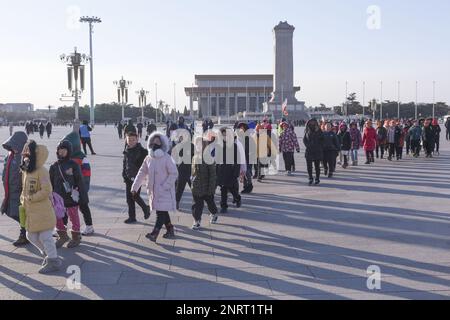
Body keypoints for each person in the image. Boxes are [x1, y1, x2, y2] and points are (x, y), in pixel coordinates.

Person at [20, 140, 62, 273]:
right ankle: (48, 254)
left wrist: (32, 198)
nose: (25, 155)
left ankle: (53, 260)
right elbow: (24, 190)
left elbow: (47, 190)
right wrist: (23, 199)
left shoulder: (42, 171)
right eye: (24, 152)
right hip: (31, 212)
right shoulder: (26, 171)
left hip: (43, 211)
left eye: (28, 152)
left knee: (45, 237)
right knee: (30, 236)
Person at [131, 132, 178, 242]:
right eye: (153, 141)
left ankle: (154, 233)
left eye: (158, 142)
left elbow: (174, 173)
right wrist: (135, 187)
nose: (155, 143)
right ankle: (170, 229)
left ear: (162, 144)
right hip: (153, 191)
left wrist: (164, 186)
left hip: (165, 191)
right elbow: (141, 172)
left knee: (160, 212)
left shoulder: (167, 158)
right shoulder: (148, 158)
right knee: (162, 210)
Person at [49, 140, 87, 248]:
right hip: (57, 197)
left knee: (73, 216)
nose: (61, 152)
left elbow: (79, 180)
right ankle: (62, 235)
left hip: (71, 196)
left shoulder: (73, 164)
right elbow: (50, 182)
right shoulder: (54, 166)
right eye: (59, 150)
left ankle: (76, 236)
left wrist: (83, 196)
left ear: (69, 151)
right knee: (57, 217)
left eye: (64, 150)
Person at [63, 131, 95, 236]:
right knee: (64, 207)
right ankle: (62, 227)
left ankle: (89, 226)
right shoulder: (65, 157)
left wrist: (83, 188)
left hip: (79, 188)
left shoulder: (82, 158)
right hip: (67, 188)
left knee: (83, 206)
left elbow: (86, 174)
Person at [2, 131, 29, 246]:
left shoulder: (24, 158)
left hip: (19, 191)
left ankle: (24, 234)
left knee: (19, 213)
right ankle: (29, 229)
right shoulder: (10, 155)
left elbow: (28, 174)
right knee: (9, 211)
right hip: (10, 190)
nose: (13, 148)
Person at [122, 132, 151, 224]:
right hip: (128, 178)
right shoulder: (126, 150)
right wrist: (124, 174)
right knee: (129, 198)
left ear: (137, 139)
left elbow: (145, 165)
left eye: (133, 140)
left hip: (137, 178)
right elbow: (125, 164)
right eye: (129, 140)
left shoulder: (142, 151)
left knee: (134, 196)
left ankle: (145, 208)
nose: (131, 142)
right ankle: (132, 217)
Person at [191, 137, 219, 230]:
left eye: (200, 144)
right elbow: (193, 171)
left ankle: (214, 213)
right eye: (197, 144)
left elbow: (213, 174)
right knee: (197, 205)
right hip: (196, 187)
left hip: (207, 187)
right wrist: (192, 181)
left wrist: (211, 188)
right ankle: (197, 220)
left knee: (210, 203)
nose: (198, 146)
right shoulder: (195, 157)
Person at [216, 127, 243, 214]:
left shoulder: (234, 146)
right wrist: (216, 170)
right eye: (223, 135)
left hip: (231, 171)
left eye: (226, 134)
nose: (224, 136)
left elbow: (237, 160)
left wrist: (236, 172)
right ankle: (224, 206)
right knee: (223, 189)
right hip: (222, 171)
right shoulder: (219, 145)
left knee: (232, 189)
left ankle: (237, 198)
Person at [171, 129, 194, 211]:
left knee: (194, 188)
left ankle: (197, 202)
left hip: (191, 170)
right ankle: (176, 203)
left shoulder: (192, 146)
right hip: (182, 170)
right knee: (180, 188)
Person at [303, 119, 324, 185]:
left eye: (313, 122)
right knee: (309, 166)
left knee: (317, 166)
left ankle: (317, 178)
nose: (312, 124)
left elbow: (322, 139)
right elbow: (304, 140)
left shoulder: (319, 130)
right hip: (309, 151)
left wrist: (319, 146)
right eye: (311, 122)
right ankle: (310, 178)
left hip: (317, 151)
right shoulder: (307, 130)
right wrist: (308, 146)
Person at [237, 122, 255, 194]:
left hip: (248, 157)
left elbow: (253, 148)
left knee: (247, 172)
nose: (240, 130)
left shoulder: (248, 137)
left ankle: (249, 186)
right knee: (243, 172)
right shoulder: (240, 137)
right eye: (239, 128)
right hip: (242, 158)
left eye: (242, 128)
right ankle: (245, 186)